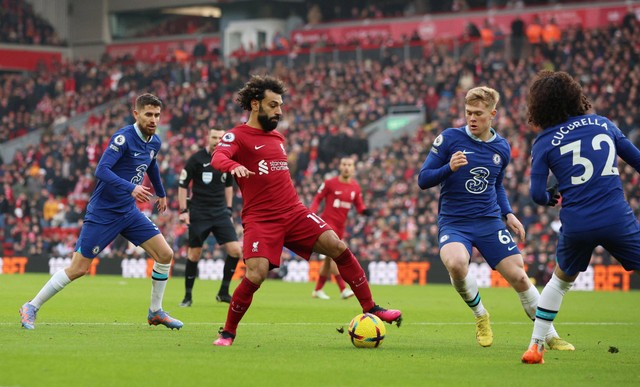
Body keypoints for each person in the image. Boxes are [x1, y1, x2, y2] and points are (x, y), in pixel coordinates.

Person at [210, 75, 402, 346]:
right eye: (273, 105)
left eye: (280, 105)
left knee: (338, 246)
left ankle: (370, 308)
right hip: (261, 220)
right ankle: (228, 332)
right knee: (256, 274)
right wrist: (233, 166)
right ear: (255, 104)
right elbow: (218, 157)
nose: (279, 111)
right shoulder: (237, 136)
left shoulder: (278, 136)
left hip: (294, 212)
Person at [417, 86, 572, 350]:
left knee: (520, 277)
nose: (472, 118)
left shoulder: (502, 147)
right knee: (456, 263)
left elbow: (496, 184)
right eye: (468, 113)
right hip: (455, 222)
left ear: (493, 114)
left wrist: (508, 213)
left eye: (478, 113)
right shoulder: (449, 139)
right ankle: (481, 315)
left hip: (489, 221)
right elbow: (423, 179)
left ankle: (549, 335)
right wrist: (448, 167)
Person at [19, 93, 183, 330]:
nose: (154, 119)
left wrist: (161, 192)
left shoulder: (154, 141)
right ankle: (31, 306)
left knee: (165, 255)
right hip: (103, 212)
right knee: (78, 269)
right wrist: (132, 188)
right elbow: (102, 170)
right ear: (136, 114)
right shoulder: (123, 138)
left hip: (128, 211)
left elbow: (152, 163)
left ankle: (156, 311)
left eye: (157, 115)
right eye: (149, 114)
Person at [521, 71, 640, 364]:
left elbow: (537, 195)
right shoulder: (603, 123)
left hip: (577, 223)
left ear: (540, 106)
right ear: (576, 96)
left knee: (559, 282)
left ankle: (535, 347)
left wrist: (552, 195)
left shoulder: (544, 141)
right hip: (616, 217)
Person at [178, 128, 242, 306]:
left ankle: (223, 292)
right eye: (214, 137)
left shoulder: (226, 159)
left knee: (236, 251)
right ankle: (188, 296)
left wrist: (228, 209)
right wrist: (184, 211)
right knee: (194, 254)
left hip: (220, 212)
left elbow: (229, 185)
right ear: (208, 138)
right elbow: (183, 184)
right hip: (199, 212)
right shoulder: (196, 159)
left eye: (221, 138)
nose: (217, 140)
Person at [309, 156, 370, 300]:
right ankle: (343, 289)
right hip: (327, 226)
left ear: (354, 168)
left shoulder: (355, 187)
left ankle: (318, 289)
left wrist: (365, 211)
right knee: (334, 256)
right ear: (340, 166)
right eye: (344, 164)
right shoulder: (330, 183)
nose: (347, 167)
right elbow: (318, 198)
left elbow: (359, 205)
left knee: (329, 259)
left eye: (350, 165)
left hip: (341, 228)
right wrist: (311, 213)